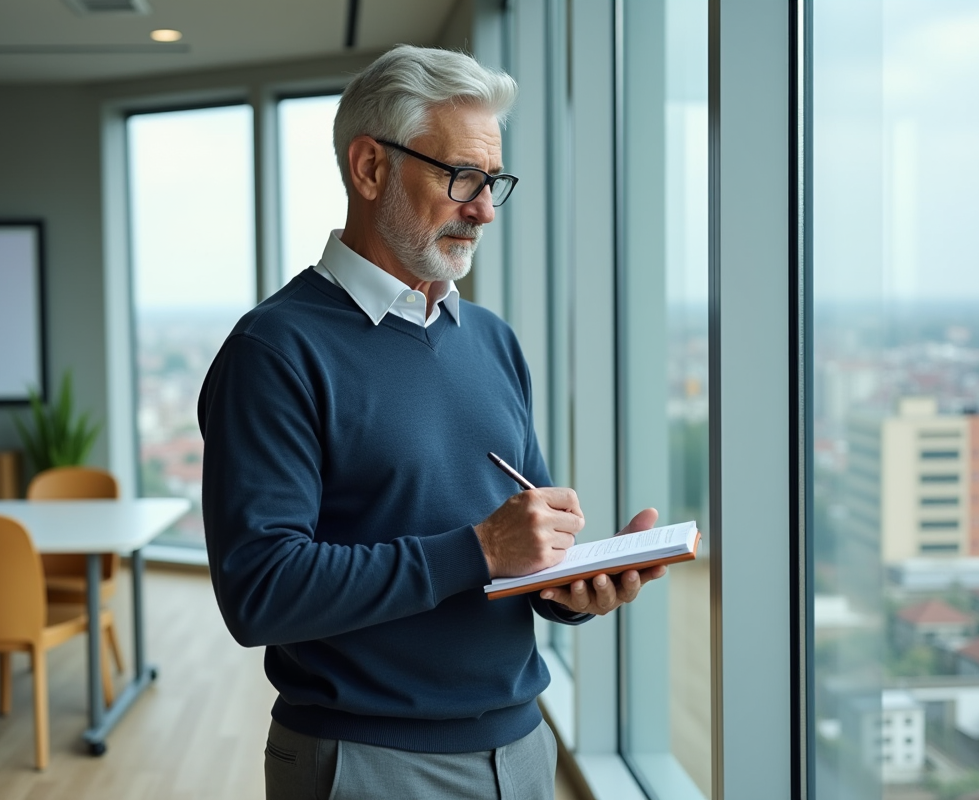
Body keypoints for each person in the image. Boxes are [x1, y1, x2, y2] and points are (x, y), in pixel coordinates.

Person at [198, 44, 666, 800]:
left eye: (493, 182)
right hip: (370, 760)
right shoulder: (274, 351)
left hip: (521, 747)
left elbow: (519, 549)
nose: (483, 208)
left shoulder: (490, 339)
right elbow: (260, 591)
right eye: (461, 178)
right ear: (370, 167)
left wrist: (571, 583)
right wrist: (480, 549)